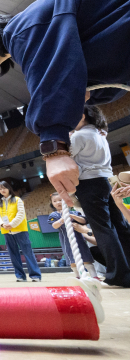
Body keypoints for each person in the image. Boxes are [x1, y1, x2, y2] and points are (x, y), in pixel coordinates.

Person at [0, 0, 130, 206]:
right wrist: (81, 92)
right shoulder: (29, 33)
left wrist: (54, 148)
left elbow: (53, 73)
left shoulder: (21, 28)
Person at [70, 106, 130, 286]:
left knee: (103, 229)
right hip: (105, 181)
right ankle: (125, 270)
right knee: (119, 226)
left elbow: (65, 158)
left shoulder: (79, 136)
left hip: (89, 184)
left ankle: (118, 275)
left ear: (81, 116)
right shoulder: (100, 133)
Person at [0, 181, 42, 282]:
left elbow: (20, 214)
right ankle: (20, 275)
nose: (2, 190)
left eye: (4, 188)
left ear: (9, 188)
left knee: (28, 252)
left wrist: (11, 224)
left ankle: (35, 275)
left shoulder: (17, 200)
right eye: (0, 188)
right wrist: (2, 224)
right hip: (6, 232)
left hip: (20, 230)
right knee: (13, 255)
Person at [47, 192, 97, 278]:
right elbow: (54, 226)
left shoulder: (75, 212)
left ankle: (94, 276)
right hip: (66, 240)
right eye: (55, 201)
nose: (58, 202)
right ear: (52, 203)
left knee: (85, 257)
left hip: (79, 239)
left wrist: (73, 216)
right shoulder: (54, 215)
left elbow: (84, 221)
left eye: (60, 200)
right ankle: (77, 276)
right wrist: (62, 219)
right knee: (71, 258)